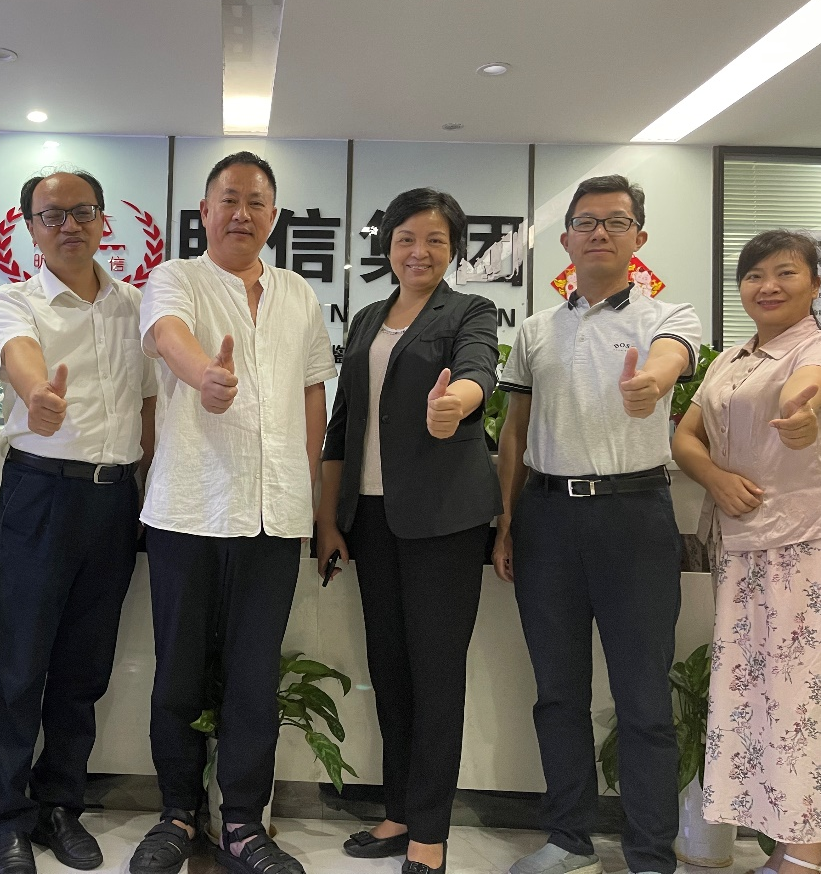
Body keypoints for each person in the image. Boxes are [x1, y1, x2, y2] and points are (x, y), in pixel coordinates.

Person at [131, 151, 335, 874]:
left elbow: (312, 393)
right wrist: (204, 378)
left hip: (275, 516)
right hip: (189, 508)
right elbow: (168, 336)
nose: (241, 213)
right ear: (205, 211)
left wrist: (310, 495)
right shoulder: (174, 278)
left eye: (255, 202)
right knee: (178, 674)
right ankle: (177, 815)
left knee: (253, 679)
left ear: (273, 216)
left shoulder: (299, 295)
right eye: (228, 199)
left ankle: (244, 823)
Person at [493, 174, 702, 874]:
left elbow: (670, 361)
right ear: (566, 240)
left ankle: (649, 854)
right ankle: (569, 838)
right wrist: (507, 520)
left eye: (615, 221)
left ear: (638, 236)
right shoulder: (534, 330)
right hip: (547, 518)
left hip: (633, 518)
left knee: (643, 697)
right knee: (557, 693)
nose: (600, 233)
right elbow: (514, 431)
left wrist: (651, 384)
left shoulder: (668, 316)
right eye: (586, 222)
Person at [316, 188, 501, 874]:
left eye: (434, 240)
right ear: (387, 247)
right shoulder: (368, 318)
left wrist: (457, 403)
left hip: (443, 522)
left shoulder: (469, 311)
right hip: (371, 520)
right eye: (405, 239)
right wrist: (329, 520)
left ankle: (429, 829)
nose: (418, 252)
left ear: (453, 250)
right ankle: (398, 810)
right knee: (388, 671)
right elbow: (343, 423)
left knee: (436, 675)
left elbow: (478, 370)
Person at [0, 170, 156, 874]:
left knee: (84, 668)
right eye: (52, 215)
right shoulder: (11, 301)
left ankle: (60, 806)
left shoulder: (136, 306)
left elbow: (148, 405)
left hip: (114, 502)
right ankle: (4, 820)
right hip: (40, 494)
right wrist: (37, 396)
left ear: (103, 221)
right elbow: (19, 355)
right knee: (22, 667)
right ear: (30, 227)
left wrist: (147, 489)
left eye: (82, 212)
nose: (69, 226)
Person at [672, 230, 821, 874]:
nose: (768, 286)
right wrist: (715, 477)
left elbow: (804, 394)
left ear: (815, 283)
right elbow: (686, 435)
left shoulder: (813, 349)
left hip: (800, 546)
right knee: (758, 695)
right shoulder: (731, 359)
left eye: (786, 273)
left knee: (799, 697)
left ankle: (807, 854)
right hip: (741, 548)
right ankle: (789, 845)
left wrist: (804, 418)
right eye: (755, 275)